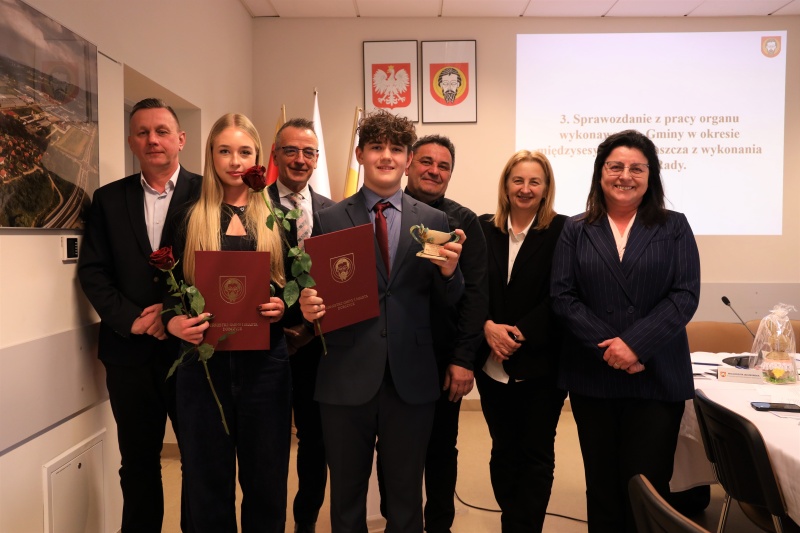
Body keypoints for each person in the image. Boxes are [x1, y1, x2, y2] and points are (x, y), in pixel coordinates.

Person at [298, 110, 465, 533]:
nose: (386, 156)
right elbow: (318, 291)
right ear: (360, 155)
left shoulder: (433, 221)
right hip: (345, 375)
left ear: (408, 159)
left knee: (407, 499)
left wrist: (450, 274)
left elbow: (447, 303)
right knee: (346, 498)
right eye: (376, 147)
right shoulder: (329, 219)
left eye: (396, 148)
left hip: (411, 377)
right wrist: (308, 303)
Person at [550, 130, 701, 533]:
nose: (625, 176)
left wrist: (634, 345)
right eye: (615, 166)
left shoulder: (674, 226)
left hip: (656, 376)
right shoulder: (576, 228)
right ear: (600, 173)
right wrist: (611, 350)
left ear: (651, 176)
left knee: (648, 489)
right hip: (593, 375)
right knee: (602, 488)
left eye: (637, 168)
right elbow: (562, 296)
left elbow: (685, 295)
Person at [78, 98, 201, 532]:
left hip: (191, 353)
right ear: (132, 142)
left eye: (162, 131)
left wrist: (169, 313)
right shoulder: (108, 199)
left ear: (180, 139)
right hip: (128, 354)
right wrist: (133, 319)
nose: (153, 140)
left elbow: (217, 268)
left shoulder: (208, 194)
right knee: (137, 464)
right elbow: (93, 272)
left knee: (198, 461)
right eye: (143, 132)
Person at [164, 113, 291, 533]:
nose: (235, 161)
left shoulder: (277, 219)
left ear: (258, 158)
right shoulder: (188, 217)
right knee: (207, 483)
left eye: (244, 152)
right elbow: (166, 289)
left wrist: (282, 307)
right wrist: (174, 323)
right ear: (211, 156)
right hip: (204, 368)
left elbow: (294, 287)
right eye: (224, 151)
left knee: (266, 482)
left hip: (266, 367)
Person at [377, 134, 488, 533]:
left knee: (441, 449)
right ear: (408, 164)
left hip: (442, 360)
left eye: (444, 166)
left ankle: (439, 525)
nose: (434, 171)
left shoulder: (463, 222)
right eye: (426, 162)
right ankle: (396, 522)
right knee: (391, 450)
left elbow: (476, 298)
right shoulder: (380, 213)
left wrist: (463, 359)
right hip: (390, 357)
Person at [475, 150, 568, 533]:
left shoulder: (564, 230)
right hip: (491, 366)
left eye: (534, 182)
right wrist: (487, 327)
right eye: (518, 180)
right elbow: (470, 288)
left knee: (535, 454)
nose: (525, 188)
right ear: (506, 185)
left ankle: (524, 527)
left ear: (546, 188)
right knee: (502, 450)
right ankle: (510, 520)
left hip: (541, 366)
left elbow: (563, 292)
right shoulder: (483, 228)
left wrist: (518, 332)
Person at [267, 118, 334, 533]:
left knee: (315, 442)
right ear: (275, 155)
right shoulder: (253, 205)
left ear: (317, 159)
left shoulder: (333, 210)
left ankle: (305, 523)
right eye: (290, 150)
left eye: (308, 152)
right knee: (270, 443)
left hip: (316, 347)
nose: (300, 159)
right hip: (267, 343)